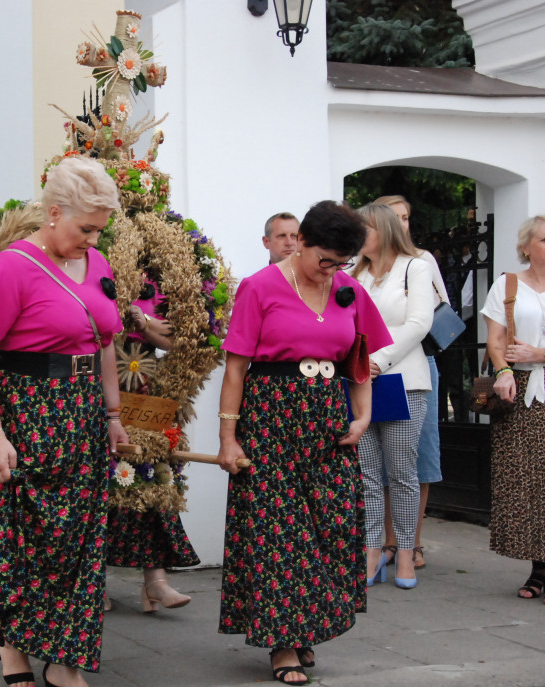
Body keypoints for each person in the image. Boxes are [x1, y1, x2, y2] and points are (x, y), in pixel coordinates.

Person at [0, 156, 128, 687]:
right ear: (53, 213)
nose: (92, 241)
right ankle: (12, 652)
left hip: (85, 415)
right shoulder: (10, 268)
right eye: (84, 229)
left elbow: (103, 344)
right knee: (29, 536)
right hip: (30, 413)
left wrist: (114, 414)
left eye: (99, 230)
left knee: (79, 542)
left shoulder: (96, 264)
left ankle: (64, 658)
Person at [217, 200, 390, 686]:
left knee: (333, 526)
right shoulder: (260, 287)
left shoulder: (349, 291)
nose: (331, 271)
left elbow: (359, 359)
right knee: (279, 533)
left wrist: (363, 415)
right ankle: (285, 643)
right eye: (325, 261)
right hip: (270, 421)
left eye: (342, 263)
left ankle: (306, 621)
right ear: (300, 243)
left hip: (329, 425)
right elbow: (235, 369)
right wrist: (228, 437)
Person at [483, 215, 545, 607]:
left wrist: (540, 353)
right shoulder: (507, 285)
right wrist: (505, 369)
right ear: (526, 246)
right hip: (519, 388)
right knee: (525, 477)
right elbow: (495, 340)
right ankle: (537, 564)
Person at [351, 203, 433, 592]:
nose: (356, 234)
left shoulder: (415, 265)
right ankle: (371, 550)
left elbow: (419, 322)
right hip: (359, 383)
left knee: (401, 471)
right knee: (365, 472)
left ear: (381, 230)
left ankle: (403, 550)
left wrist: (378, 361)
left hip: (402, 381)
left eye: (362, 227)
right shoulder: (355, 273)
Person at [109, 281, 198, 611]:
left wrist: (143, 323)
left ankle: (156, 581)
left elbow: (181, 339)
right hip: (97, 375)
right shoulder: (98, 263)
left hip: (143, 383)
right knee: (103, 480)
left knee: (153, 476)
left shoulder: (162, 279)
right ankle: (92, 582)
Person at [374, 195, 451, 570]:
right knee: (376, 461)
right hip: (372, 370)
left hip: (417, 365)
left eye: (406, 217)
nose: (402, 224)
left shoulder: (421, 261)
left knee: (415, 455)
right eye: (394, 218)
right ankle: (383, 542)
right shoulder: (361, 265)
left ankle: (411, 542)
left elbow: (434, 313)